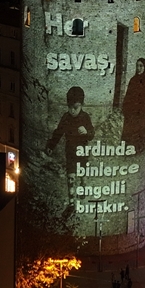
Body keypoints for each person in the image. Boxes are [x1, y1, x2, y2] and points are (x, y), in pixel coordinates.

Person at [46, 86, 94, 214]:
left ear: (81, 105)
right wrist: (51, 145)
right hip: (70, 152)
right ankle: (71, 203)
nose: (72, 111)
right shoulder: (66, 118)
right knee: (71, 177)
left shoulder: (85, 117)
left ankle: (83, 187)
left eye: (76, 108)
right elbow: (58, 132)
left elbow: (92, 134)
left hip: (82, 152)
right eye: (70, 107)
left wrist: (86, 132)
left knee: (82, 174)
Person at [120, 58, 145, 153]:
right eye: (137, 66)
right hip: (132, 110)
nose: (139, 68)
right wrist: (125, 108)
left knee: (141, 129)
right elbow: (128, 95)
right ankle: (128, 147)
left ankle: (140, 146)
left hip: (142, 111)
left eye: (141, 66)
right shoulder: (133, 80)